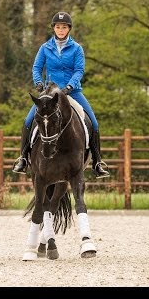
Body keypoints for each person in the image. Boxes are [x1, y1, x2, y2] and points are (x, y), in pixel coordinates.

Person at [12, 11, 110, 179]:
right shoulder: (45, 47)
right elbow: (36, 68)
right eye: (58, 27)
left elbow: (79, 70)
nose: (61, 30)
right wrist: (38, 83)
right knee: (28, 121)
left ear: (69, 29)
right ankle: (22, 158)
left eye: (64, 27)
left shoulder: (77, 48)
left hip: (73, 92)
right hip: (50, 94)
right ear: (54, 29)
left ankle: (97, 162)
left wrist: (70, 86)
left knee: (93, 122)